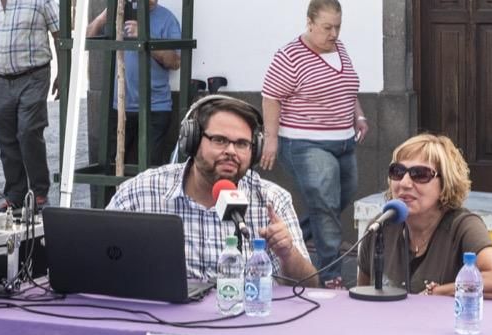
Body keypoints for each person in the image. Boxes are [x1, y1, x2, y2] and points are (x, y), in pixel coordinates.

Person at [107, 95, 319, 287]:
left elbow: (309, 288)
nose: (231, 151)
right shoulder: (141, 192)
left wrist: (287, 253)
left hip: (246, 326)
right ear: (192, 140)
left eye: (242, 144)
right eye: (219, 140)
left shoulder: (272, 200)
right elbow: (100, 257)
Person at [260, 0, 367, 289]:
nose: (334, 33)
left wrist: (359, 115)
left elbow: (347, 87)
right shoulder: (290, 56)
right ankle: (330, 275)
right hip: (305, 143)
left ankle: (289, 235)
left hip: (343, 141)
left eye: (338, 26)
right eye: (327, 27)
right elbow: (271, 96)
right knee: (326, 204)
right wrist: (270, 139)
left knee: (341, 198)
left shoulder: (339, 48)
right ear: (309, 23)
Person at [358, 133, 492, 299]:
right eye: (397, 172)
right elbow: (362, 299)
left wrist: (441, 291)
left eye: (420, 174)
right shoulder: (380, 227)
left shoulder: (463, 226)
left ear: (445, 183)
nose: (404, 183)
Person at [0, 0, 60, 212]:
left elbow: (59, 34)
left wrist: (64, 72)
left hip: (34, 76)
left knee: (28, 132)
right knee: (5, 139)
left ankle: (40, 193)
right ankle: (16, 194)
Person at [87, 0, 181, 167]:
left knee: (150, 168)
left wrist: (144, 36)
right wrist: (103, 18)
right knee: (110, 165)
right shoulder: (122, 14)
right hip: (120, 106)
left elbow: (174, 62)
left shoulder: (167, 19)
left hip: (155, 107)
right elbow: (86, 39)